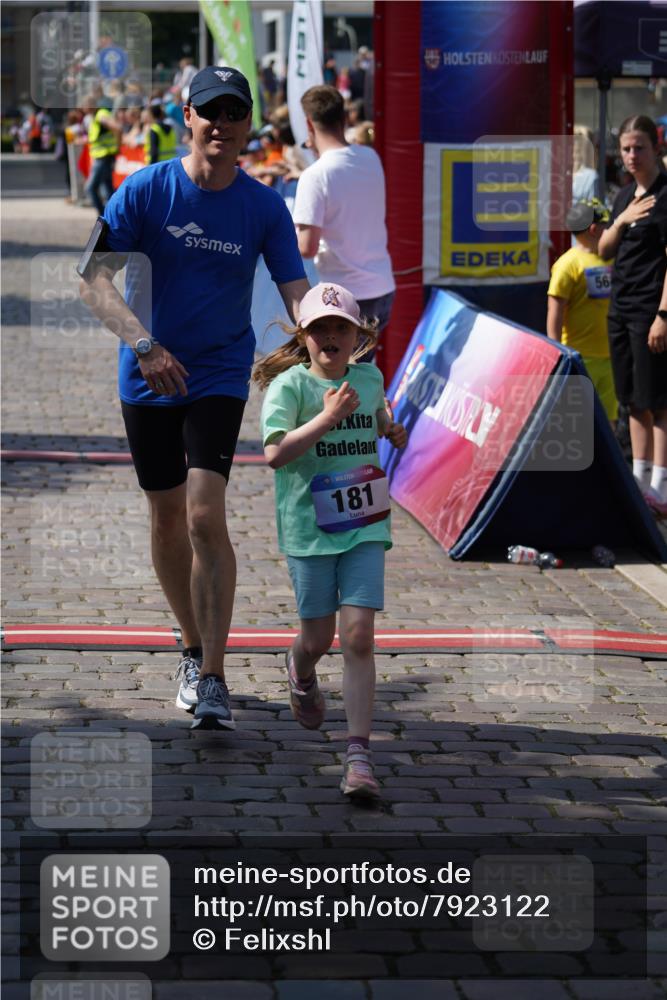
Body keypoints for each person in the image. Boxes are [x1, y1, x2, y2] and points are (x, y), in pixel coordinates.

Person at [79, 66, 309, 728]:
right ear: (188, 116)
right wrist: (144, 346)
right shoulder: (145, 190)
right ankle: (189, 645)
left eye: (234, 113)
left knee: (204, 516)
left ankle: (212, 676)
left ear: (247, 126)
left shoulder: (264, 206)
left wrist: (323, 331)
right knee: (165, 516)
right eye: (210, 111)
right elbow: (94, 281)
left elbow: (294, 287)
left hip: (216, 370)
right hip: (147, 371)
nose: (221, 124)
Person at [254, 282, 407, 798]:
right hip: (309, 530)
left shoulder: (368, 377)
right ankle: (299, 667)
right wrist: (327, 418)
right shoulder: (290, 388)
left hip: (365, 522)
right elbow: (275, 454)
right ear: (305, 336)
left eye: (341, 327)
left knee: (359, 635)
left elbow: (378, 414)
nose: (330, 336)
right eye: (320, 328)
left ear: (357, 335)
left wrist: (390, 430)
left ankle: (359, 755)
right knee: (318, 639)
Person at [293, 85, 395, 357]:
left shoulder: (315, 175)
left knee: (344, 386)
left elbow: (306, 247)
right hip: (381, 287)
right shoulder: (370, 157)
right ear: (344, 117)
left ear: (308, 124)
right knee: (361, 379)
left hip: (345, 298)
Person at [598, 115, 667, 516]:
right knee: (633, 401)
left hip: (650, 311)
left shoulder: (665, 195)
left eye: (639, 147)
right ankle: (641, 483)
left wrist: (663, 315)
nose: (631, 155)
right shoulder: (624, 196)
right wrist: (621, 220)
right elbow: (605, 248)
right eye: (625, 148)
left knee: (658, 401)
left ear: (655, 146)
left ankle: (661, 483)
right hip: (620, 310)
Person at [547, 198, 618, 425]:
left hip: (610, 356)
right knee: (578, 420)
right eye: (607, 226)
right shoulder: (568, 264)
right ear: (595, 229)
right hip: (580, 358)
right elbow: (555, 311)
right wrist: (556, 352)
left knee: (609, 420)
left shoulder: (613, 259)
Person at [83, 96, 122, 214]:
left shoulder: (100, 115)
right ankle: (112, 217)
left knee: (91, 188)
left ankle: (103, 217)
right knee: (108, 189)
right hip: (103, 156)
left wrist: (117, 148)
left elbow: (117, 128)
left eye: (84, 105)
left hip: (104, 157)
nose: (83, 108)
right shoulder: (96, 116)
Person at [143, 100, 177, 165]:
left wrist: (151, 167)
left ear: (151, 115)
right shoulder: (171, 128)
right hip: (170, 164)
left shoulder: (154, 129)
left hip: (158, 165)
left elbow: (154, 152)